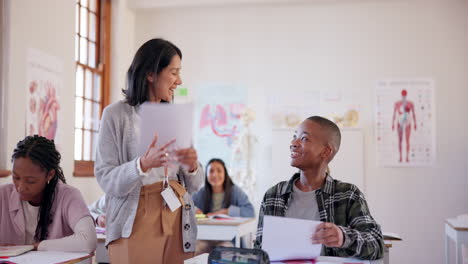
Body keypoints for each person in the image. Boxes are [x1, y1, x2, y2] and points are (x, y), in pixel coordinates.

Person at [94, 38, 204, 264]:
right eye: (173, 72)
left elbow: (193, 185)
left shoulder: (175, 116)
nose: (179, 81)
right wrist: (140, 165)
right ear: (150, 74)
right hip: (133, 218)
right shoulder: (115, 115)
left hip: (176, 216)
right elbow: (105, 177)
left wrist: (192, 166)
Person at [254, 116, 384, 260]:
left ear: (325, 152)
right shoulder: (273, 195)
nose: (293, 143)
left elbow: (376, 244)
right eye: (294, 137)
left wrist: (343, 237)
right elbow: (260, 250)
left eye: (304, 138)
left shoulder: (348, 195)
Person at [0, 135, 97, 253]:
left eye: (30, 181)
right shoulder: (3, 195)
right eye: (16, 177)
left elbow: (88, 241)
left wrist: (37, 246)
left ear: (49, 175)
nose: (20, 187)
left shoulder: (69, 196)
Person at [192, 158, 255, 254]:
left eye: (219, 171)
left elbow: (250, 212)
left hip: (228, 239)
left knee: (223, 251)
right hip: (206, 237)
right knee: (195, 249)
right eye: (211, 171)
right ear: (206, 175)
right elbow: (188, 205)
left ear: (225, 173)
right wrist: (195, 210)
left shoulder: (235, 191)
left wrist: (226, 212)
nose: (215, 175)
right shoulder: (202, 192)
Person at [391, 89, 417, 163]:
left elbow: (414, 114)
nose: (404, 97)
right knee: (400, 140)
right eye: (403, 95)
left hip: (408, 122)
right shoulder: (397, 103)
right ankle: (400, 157)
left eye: (404, 95)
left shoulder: (410, 103)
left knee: (407, 140)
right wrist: (392, 124)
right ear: (401, 95)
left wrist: (415, 123)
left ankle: (407, 157)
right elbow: (394, 114)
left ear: (406, 95)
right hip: (400, 122)